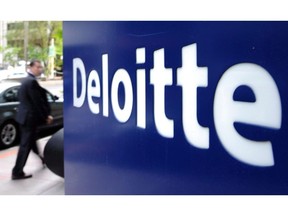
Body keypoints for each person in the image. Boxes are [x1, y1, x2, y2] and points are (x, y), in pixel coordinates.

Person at [12, 60, 53, 180]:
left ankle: (43, 159)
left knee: (32, 142)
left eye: (41, 67)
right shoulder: (31, 82)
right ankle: (17, 171)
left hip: (24, 117)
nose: (40, 69)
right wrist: (46, 115)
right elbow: (37, 101)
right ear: (31, 67)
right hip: (29, 118)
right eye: (38, 67)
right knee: (25, 145)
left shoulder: (25, 80)